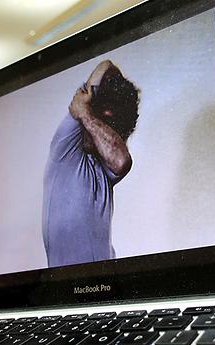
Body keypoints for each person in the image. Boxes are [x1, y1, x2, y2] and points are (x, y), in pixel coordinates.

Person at [42, 60, 140, 268]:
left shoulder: (107, 170)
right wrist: (88, 108)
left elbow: (121, 161)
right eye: (96, 118)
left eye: (107, 125)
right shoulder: (64, 150)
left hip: (108, 288)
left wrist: (87, 114)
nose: (96, 128)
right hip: (66, 290)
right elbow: (105, 65)